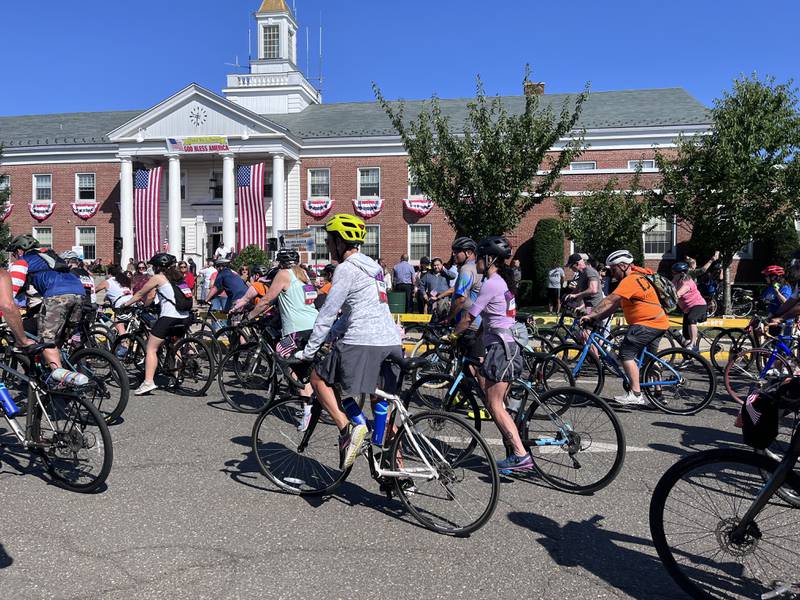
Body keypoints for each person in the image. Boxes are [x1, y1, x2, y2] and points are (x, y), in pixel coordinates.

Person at [297, 213, 402, 470]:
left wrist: (309, 351)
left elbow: (328, 312)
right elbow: (359, 309)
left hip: (363, 341)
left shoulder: (346, 269)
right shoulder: (374, 267)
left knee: (319, 379)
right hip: (390, 341)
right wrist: (333, 334)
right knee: (383, 409)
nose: (327, 245)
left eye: (329, 240)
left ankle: (348, 430)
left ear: (340, 242)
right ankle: (398, 472)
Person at [451, 236, 530, 473]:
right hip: (502, 345)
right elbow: (491, 318)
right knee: (496, 400)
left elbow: (469, 316)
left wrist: (452, 335)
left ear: (490, 259)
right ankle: (514, 441)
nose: (476, 263)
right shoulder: (501, 283)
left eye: (480, 258)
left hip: (503, 349)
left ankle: (520, 454)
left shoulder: (492, 283)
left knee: (494, 404)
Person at [580, 250, 670, 406]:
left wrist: (590, 314)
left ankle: (636, 394)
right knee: (649, 359)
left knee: (626, 354)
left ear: (623, 266)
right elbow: (614, 306)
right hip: (658, 322)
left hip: (647, 323)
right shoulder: (638, 278)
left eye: (613, 269)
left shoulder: (630, 280)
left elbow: (609, 300)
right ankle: (658, 393)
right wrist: (596, 318)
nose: (612, 274)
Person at [8, 235, 86, 370]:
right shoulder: (51, 256)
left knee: (46, 340)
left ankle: (60, 378)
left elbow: (11, 291)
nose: (15, 256)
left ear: (20, 250)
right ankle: (74, 365)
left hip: (57, 295)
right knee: (62, 335)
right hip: (79, 291)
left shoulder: (22, 262)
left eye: (15, 253)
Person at [123, 253, 192, 395]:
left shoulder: (158, 278)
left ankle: (148, 382)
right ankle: (176, 377)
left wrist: (125, 304)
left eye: (154, 266)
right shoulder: (179, 278)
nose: (153, 268)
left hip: (169, 317)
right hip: (184, 317)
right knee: (175, 346)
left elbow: (141, 294)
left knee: (151, 348)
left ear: (158, 267)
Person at [443, 237, 484, 362]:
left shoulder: (467, 269)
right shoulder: (479, 268)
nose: (454, 254)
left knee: (474, 365)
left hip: (469, 326)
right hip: (478, 323)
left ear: (468, 252)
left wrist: (448, 318)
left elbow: (461, 299)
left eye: (457, 251)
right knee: (470, 365)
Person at [671, 262, 707, 350]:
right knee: (685, 337)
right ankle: (689, 355)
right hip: (687, 309)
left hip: (699, 305)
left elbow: (677, 294)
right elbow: (668, 289)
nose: (673, 274)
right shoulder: (676, 281)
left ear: (682, 273)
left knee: (691, 319)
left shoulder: (687, 283)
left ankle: (693, 343)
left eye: (675, 273)